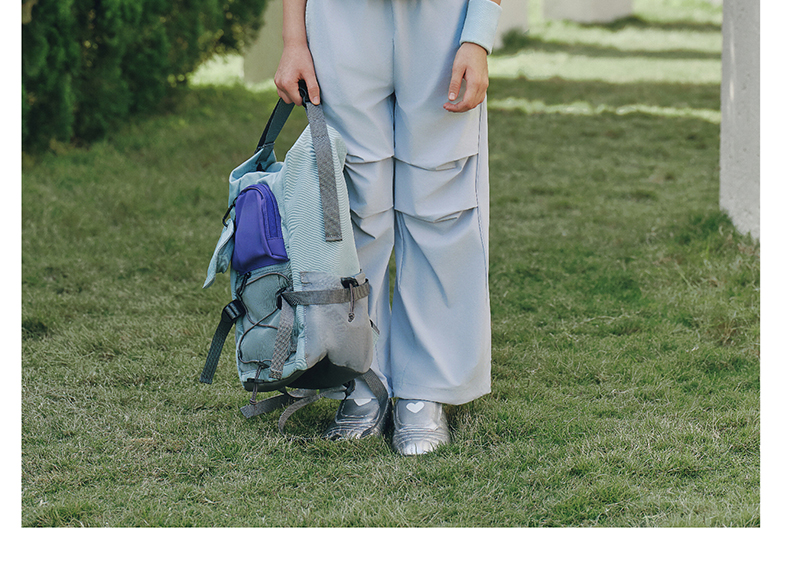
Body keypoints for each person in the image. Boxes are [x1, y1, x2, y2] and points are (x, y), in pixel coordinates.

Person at [274, 0, 502, 455]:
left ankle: (427, 388)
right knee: (352, 204)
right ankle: (361, 377)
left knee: (442, 202)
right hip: (340, 20)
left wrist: (478, 36)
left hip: (443, 19)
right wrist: (293, 40)